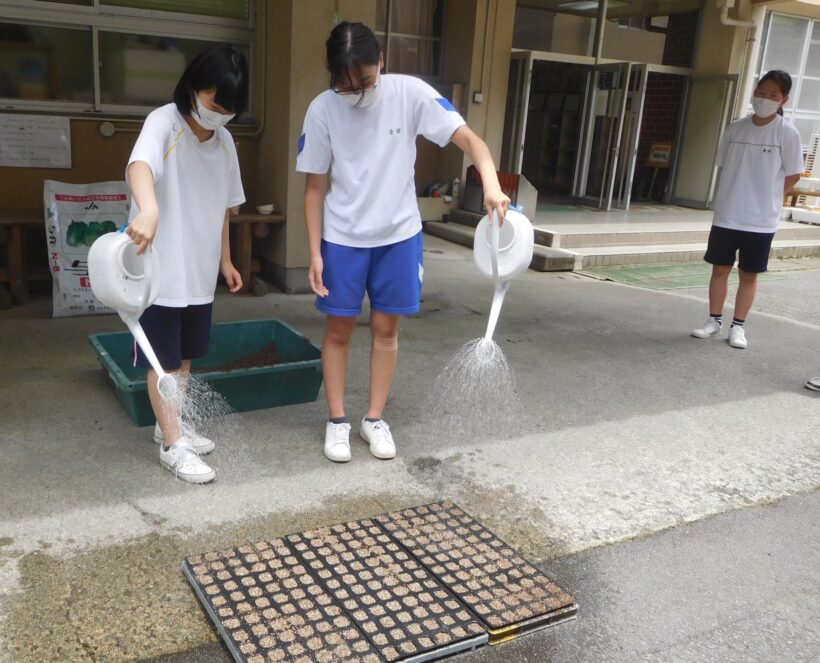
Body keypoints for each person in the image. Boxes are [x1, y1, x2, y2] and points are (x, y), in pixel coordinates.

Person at [296, 21, 510, 463]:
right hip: (342, 237)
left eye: (366, 81)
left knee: (386, 329)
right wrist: (315, 252)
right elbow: (314, 188)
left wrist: (490, 184)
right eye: (345, 85)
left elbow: (471, 141)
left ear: (382, 64)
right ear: (333, 76)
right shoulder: (322, 109)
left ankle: (374, 418)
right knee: (338, 328)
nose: (357, 92)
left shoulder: (409, 94)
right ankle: (337, 421)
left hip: (399, 236)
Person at [125, 45, 248, 483]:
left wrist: (227, 260)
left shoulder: (227, 142)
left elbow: (225, 207)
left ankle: (168, 425)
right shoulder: (164, 122)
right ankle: (173, 447)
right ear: (194, 88)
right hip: (159, 270)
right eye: (214, 103)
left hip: (198, 269)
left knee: (185, 358)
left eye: (228, 109)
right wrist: (149, 208)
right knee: (163, 361)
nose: (219, 114)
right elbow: (140, 165)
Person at [692, 70, 803, 349]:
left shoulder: (788, 133)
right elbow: (723, 165)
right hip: (728, 214)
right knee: (719, 269)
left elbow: (793, 174)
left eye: (773, 95)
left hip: (760, 220)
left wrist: (769, 198)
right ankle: (713, 320)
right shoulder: (735, 128)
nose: (765, 99)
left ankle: (738, 327)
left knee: (749, 274)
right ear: (755, 93)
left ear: (784, 100)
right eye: (762, 92)